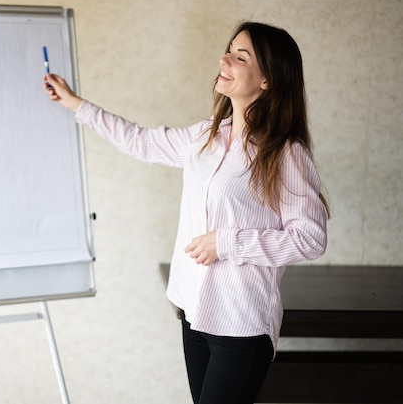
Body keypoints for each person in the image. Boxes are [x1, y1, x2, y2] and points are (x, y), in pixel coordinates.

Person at [43, 21, 329, 404]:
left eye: (240, 56)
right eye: (228, 49)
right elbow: (139, 141)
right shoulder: (205, 136)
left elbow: (310, 239)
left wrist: (226, 243)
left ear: (267, 80)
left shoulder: (286, 153)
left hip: (241, 325)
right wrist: (75, 103)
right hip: (194, 313)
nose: (224, 59)